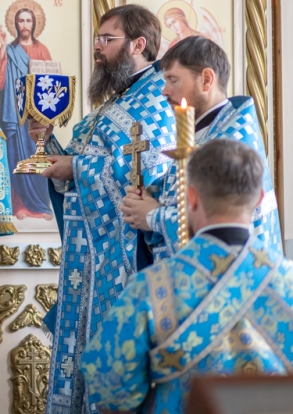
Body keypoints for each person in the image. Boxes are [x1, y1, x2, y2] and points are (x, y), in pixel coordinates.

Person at [29, 4, 176, 414]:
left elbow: (147, 174)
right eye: (97, 38)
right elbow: (78, 174)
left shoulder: (156, 100)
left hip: (130, 263)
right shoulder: (117, 101)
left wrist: (75, 166)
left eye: (107, 39)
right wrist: (50, 145)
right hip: (91, 262)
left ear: (138, 45)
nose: (97, 47)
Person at [82, 139, 293, 414]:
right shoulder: (288, 282)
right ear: (259, 199)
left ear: (190, 198)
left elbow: (110, 390)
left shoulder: (150, 287)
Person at [121, 36, 282, 263]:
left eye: (173, 80)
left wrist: (152, 216)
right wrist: (145, 198)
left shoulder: (231, 145)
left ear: (206, 80)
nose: (164, 92)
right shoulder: (207, 133)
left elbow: (225, 220)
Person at [0, 8, 53, 220]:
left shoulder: (42, 49)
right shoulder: (9, 49)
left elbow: (52, 81)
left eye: (28, 21)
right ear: (15, 25)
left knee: (38, 155)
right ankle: (19, 206)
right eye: (20, 21)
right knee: (16, 157)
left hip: (35, 116)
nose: (24, 25)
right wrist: (1, 47)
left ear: (34, 24)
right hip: (15, 115)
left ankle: (41, 206)